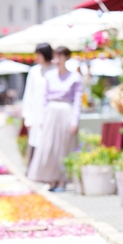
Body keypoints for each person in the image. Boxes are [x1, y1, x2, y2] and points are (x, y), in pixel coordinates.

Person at [27, 46, 82, 192]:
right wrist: (42, 119)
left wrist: (74, 120)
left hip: (67, 113)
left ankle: (63, 180)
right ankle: (50, 179)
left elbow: (77, 101)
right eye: (55, 56)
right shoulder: (49, 76)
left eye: (59, 56)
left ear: (66, 57)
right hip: (51, 114)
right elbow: (44, 99)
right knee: (49, 148)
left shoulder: (75, 77)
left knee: (65, 147)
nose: (56, 60)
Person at [21, 43, 54, 171]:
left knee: (50, 142)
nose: (37, 57)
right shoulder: (34, 71)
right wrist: (27, 116)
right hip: (36, 112)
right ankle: (34, 171)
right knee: (36, 141)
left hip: (51, 112)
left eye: (39, 54)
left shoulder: (55, 69)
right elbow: (29, 94)